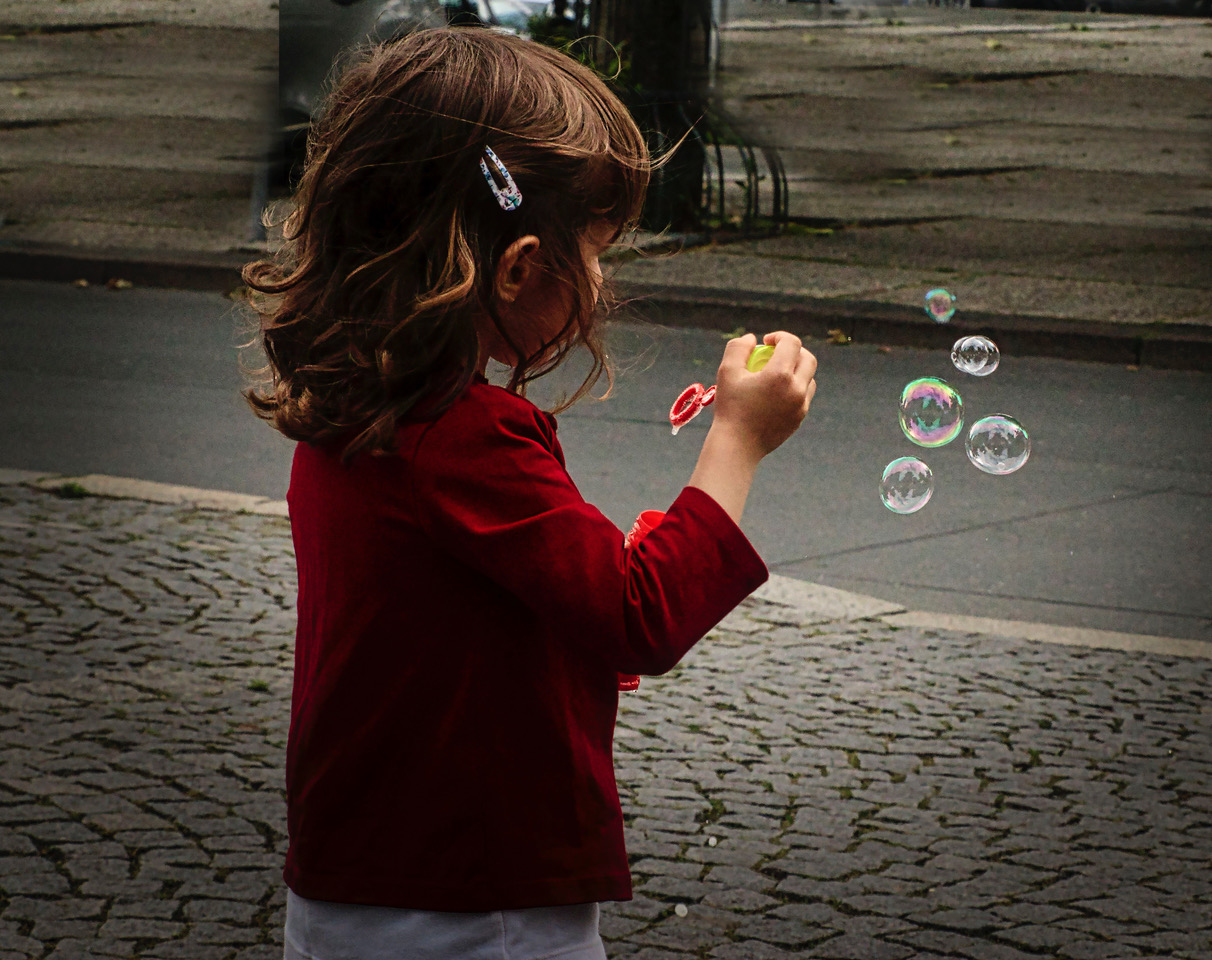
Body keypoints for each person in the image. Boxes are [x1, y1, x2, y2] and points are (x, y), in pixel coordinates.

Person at [242, 26, 818, 960]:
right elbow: (642, 616)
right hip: (474, 904)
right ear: (516, 266)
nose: (600, 280)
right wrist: (739, 437)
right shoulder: (463, 435)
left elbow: (455, 618)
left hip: (357, 886)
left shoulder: (357, 404)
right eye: (593, 251)